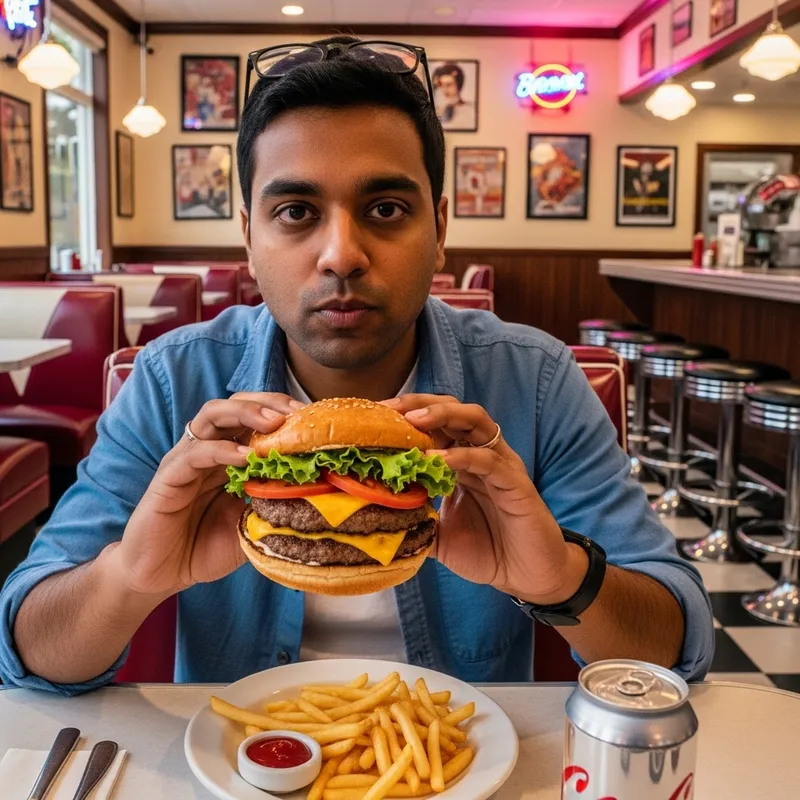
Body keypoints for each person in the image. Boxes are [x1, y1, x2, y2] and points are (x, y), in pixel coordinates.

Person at [0, 36, 714, 694]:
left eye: (385, 208)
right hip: (233, 766)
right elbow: (27, 650)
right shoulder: (170, 383)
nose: (341, 253)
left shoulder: (535, 384)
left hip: (471, 756)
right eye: (296, 212)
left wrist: (559, 576)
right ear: (248, 237)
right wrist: (130, 576)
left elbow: (679, 643)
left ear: (439, 231)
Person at [432, 61, 475, 130]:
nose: (444, 90)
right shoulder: (433, 112)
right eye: (441, 85)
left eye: (449, 85)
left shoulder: (469, 110)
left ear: (458, 86)